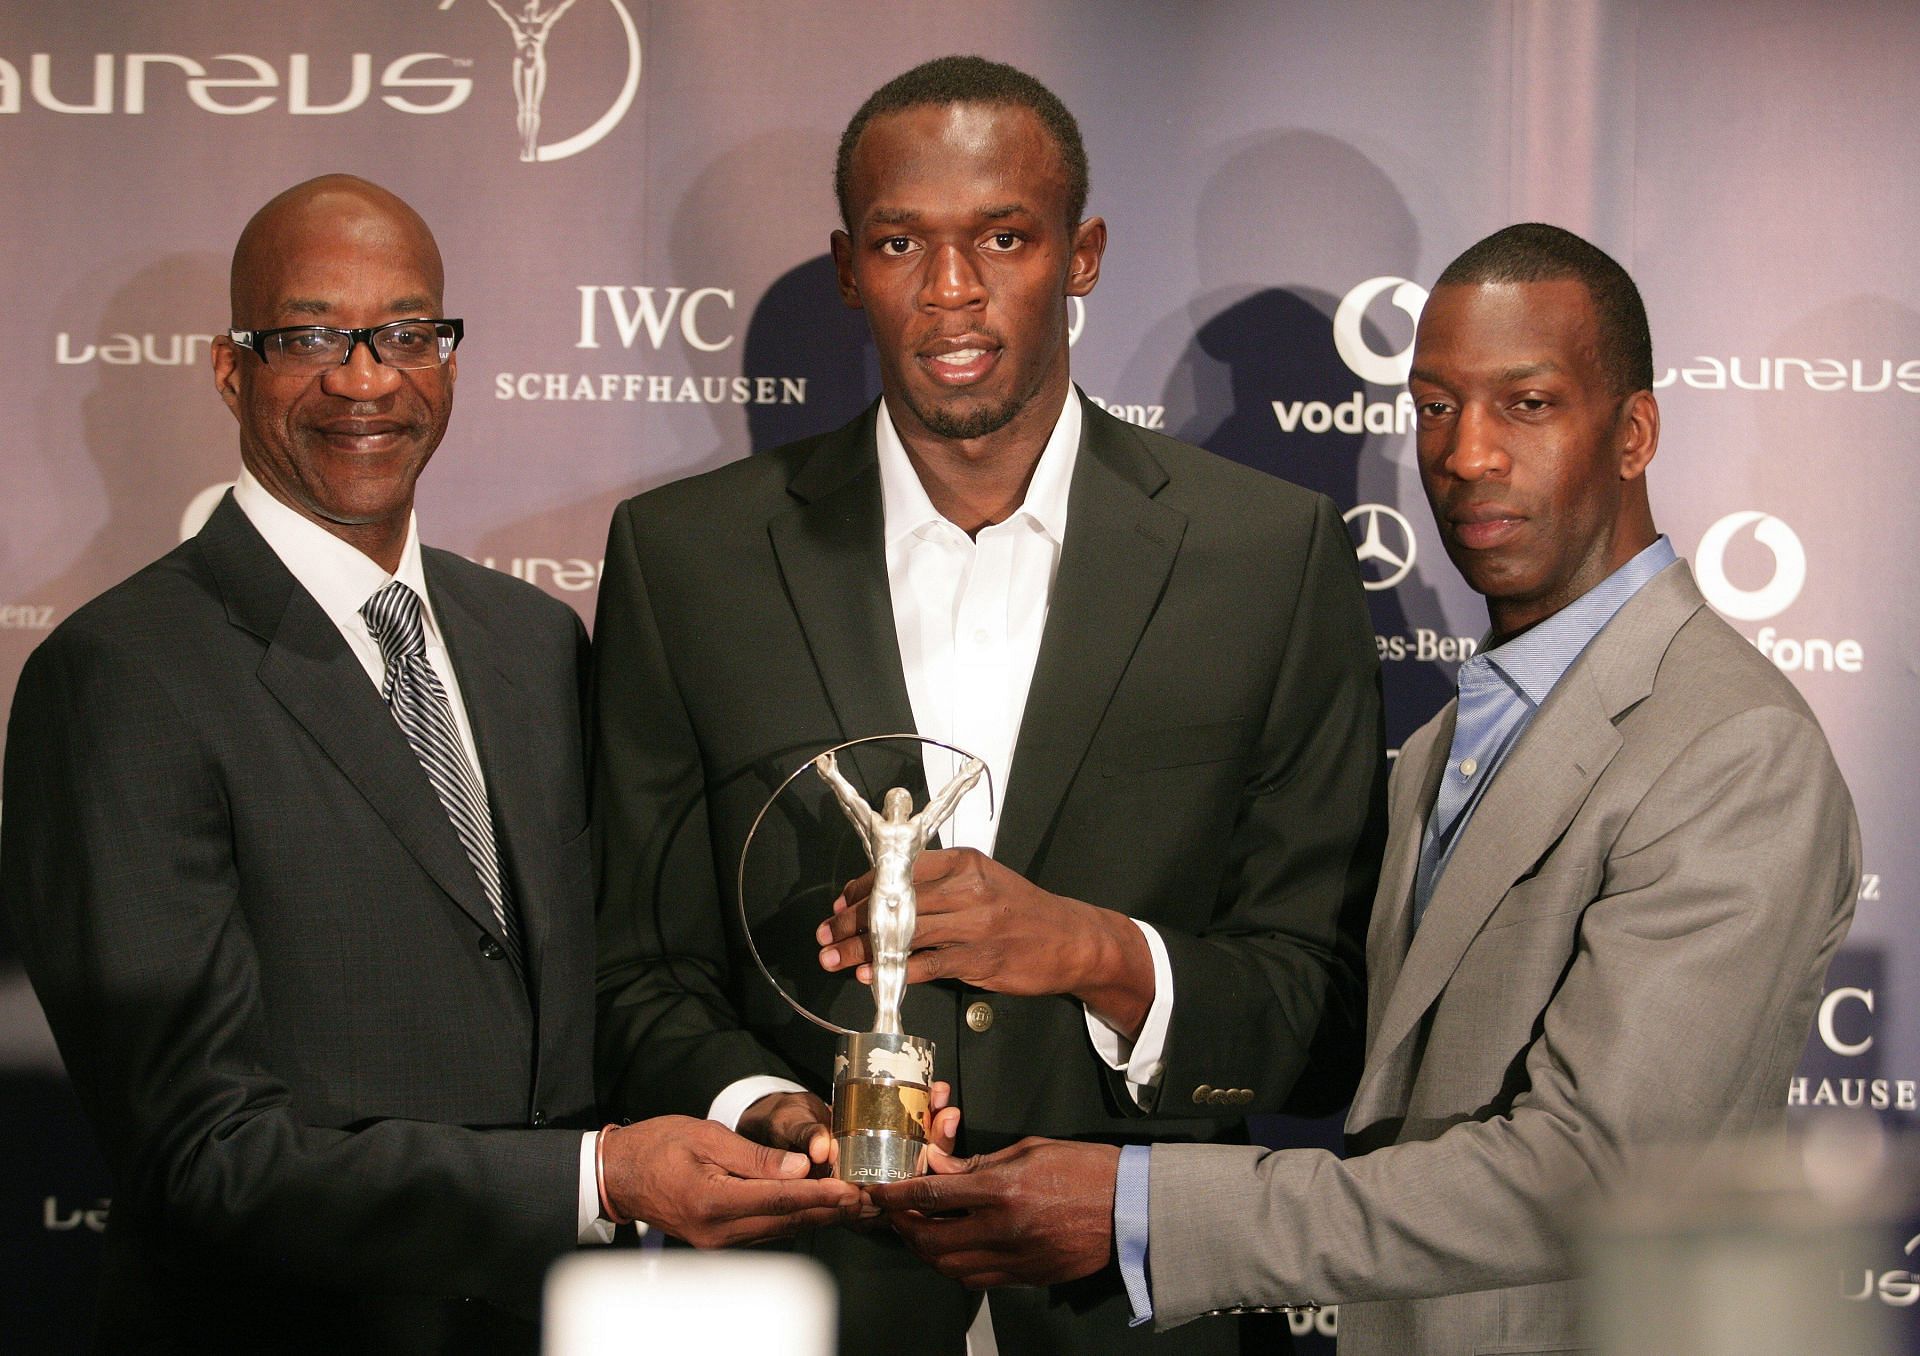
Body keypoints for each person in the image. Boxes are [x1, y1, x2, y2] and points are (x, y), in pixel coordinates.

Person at [872, 223, 1861, 1356]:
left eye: (1526, 405)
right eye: (1436, 407)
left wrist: (1136, 1209)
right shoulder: (1448, 736)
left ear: (1633, 431)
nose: (1469, 454)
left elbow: (1589, 1176)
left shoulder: (1731, 746)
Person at [591, 56, 1384, 1355]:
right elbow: (637, 973)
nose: (951, 292)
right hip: (795, 1299)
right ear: (851, 267)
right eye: (904, 242)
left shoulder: (1267, 557)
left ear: (1081, 254)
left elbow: (1323, 1007)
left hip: (1127, 1310)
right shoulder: (689, 560)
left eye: (1002, 238)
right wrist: (776, 1117)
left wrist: (1090, 951)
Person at [0, 174, 860, 1356]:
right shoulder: (123, 677)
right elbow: (203, 1156)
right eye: (310, 337)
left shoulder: (530, 641)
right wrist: (597, 1179)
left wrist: (751, 1104)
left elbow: (600, 984)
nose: (366, 378)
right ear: (227, 367)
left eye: (408, 333)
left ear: (449, 359)